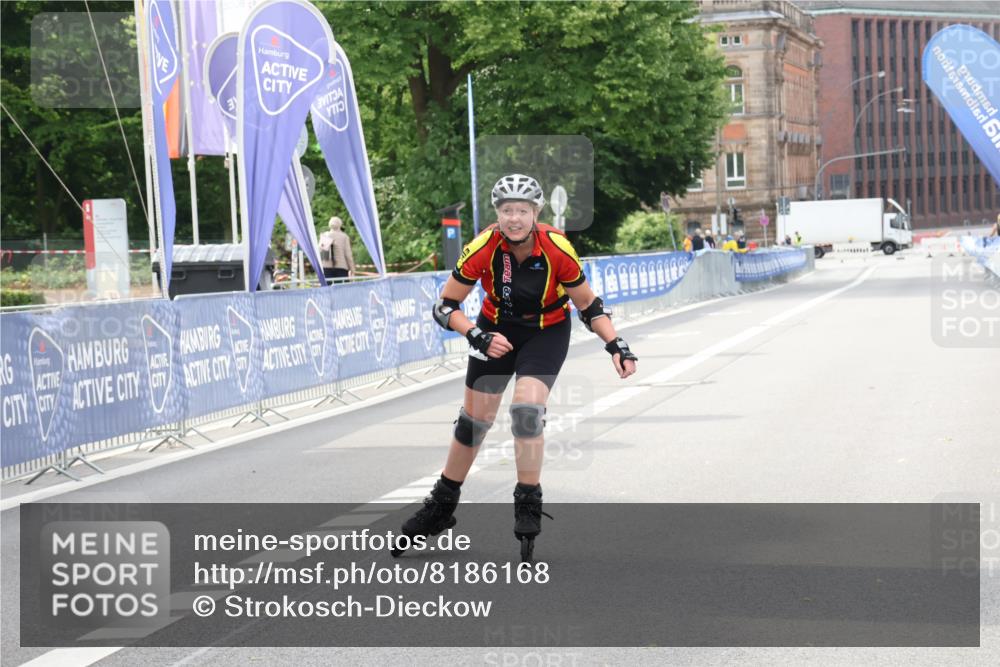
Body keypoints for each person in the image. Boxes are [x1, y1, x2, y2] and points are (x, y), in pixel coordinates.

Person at [392, 174, 638, 563]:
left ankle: (527, 503)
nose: (514, 218)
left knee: (526, 412)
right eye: (507, 211)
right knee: (472, 423)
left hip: (545, 333)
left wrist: (616, 345)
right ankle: (441, 507)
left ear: (535, 213)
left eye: (522, 210)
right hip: (493, 332)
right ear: (498, 214)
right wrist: (476, 335)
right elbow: (444, 306)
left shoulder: (556, 247)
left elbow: (588, 306)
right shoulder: (484, 246)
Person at [318, 216, 355, 282]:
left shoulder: (324, 235)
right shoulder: (344, 237)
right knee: (341, 290)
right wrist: (352, 269)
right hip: (341, 268)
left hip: (326, 268)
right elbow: (348, 255)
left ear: (330, 225)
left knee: (328, 290)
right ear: (340, 225)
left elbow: (320, 252)